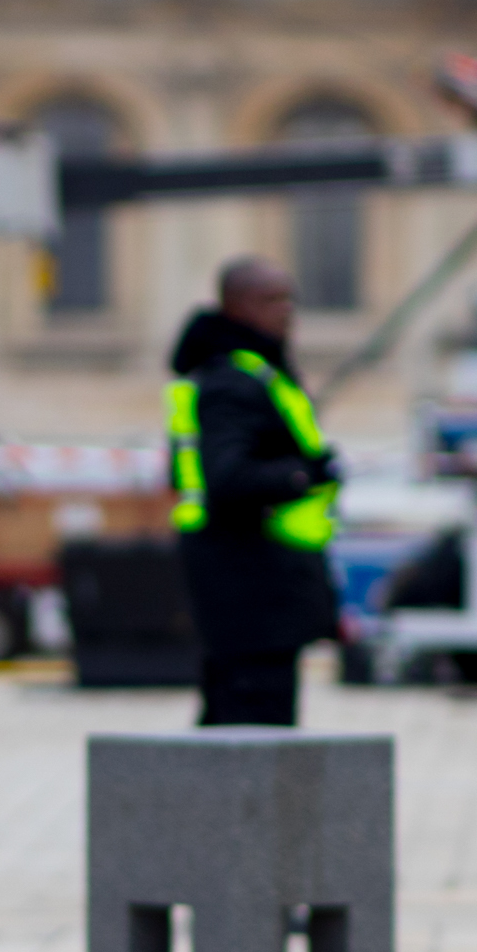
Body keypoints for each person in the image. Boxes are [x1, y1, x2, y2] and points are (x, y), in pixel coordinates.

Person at [166, 257, 339, 726]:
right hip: (250, 587)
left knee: (239, 720)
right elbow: (227, 478)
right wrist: (304, 475)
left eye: (289, 299)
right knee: (253, 724)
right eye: (270, 300)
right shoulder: (233, 382)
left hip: (256, 587)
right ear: (234, 306)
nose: (286, 311)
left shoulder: (250, 371)